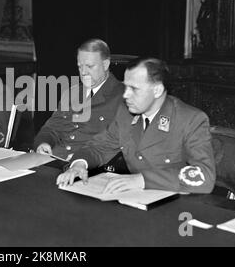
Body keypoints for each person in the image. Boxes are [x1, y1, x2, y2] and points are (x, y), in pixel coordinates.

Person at [56, 57, 216, 194]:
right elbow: (99, 147)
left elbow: (205, 176)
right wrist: (78, 165)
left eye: (134, 89)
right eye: (125, 87)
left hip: (174, 206)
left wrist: (143, 180)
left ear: (157, 90)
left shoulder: (190, 119)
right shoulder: (125, 113)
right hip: (135, 201)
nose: (125, 95)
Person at [33, 38, 124, 160]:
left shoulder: (123, 96)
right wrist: (43, 143)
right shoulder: (72, 93)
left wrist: (82, 159)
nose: (83, 72)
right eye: (80, 66)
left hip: (88, 165)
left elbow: (119, 143)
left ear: (106, 64)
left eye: (90, 66)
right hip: (55, 159)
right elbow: (52, 128)